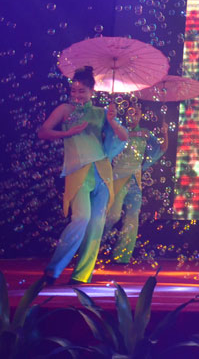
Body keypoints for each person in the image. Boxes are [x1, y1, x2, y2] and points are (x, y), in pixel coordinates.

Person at [39, 66, 128, 284]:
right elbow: (43, 132)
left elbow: (124, 137)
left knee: (97, 223)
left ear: (92, 92)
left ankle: (82, 275)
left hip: (102, 171)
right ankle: (53, 270)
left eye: (82, 91)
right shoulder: (65, 110)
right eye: (74, 91)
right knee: (81, 219)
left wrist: (113, 121)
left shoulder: (101, 113)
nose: (77, 95)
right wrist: (67, 133)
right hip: (78, 171)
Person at [102, 105, 166, 264]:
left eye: (137, 112)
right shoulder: (118, 128)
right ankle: (94, 246)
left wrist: (165, 132)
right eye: (131, 112)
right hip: (117, 177)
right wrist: (134, 134)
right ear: (126, 114)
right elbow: (109, 143)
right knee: (112, 215)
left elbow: (160, 149)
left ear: (141, 115)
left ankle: (121, 257)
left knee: (132, 219)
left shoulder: (145, 133)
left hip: (135, 180)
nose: (134, 115)